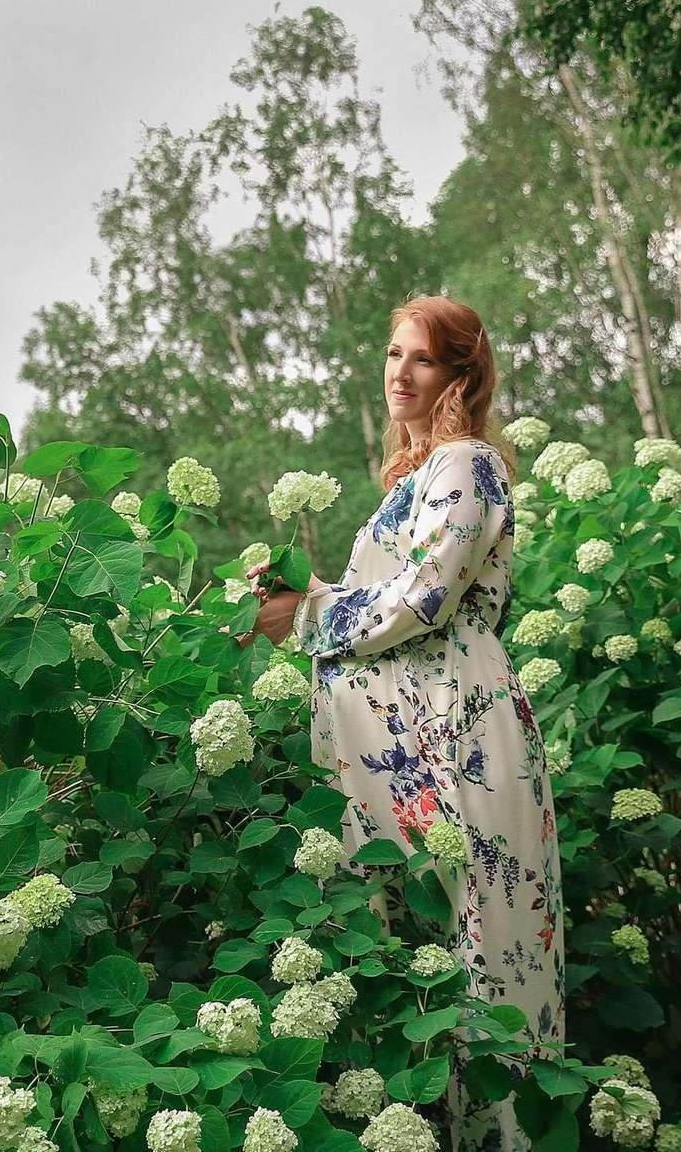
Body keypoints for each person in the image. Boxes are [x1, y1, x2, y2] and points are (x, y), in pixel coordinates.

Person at [243, 294, 565, 1152]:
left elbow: (422, 598)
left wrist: (309, 616)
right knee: (418, 955)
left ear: (459, 374)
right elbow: (382, 599)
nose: (399, 372)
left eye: (421, 358)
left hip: (460, 729)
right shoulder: (419, 474)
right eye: (392, 354)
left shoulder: (466, 462)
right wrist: (298, 594)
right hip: (410, 741)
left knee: (481, 953)